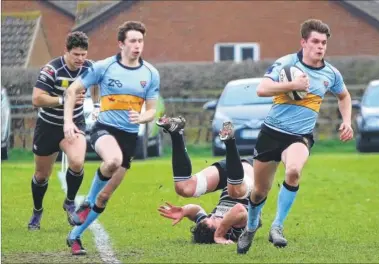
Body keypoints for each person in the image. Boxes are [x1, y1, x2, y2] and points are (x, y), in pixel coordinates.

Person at [237, 19, 354, 254]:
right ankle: (250, 227)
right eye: (315, 42)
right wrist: (292, 84)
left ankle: (277, 226)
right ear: (303, 42)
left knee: (293, 171)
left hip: (300, 136)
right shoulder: (286, 63)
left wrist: (347, 121)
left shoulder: (331, 73)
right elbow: (262, 89)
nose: (320, 47)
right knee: (260, 191)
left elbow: (344, 96)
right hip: (271, 133)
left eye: (323, 43)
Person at [63, 21, 160, 255]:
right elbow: (72, 90)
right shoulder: (104, 67)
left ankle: (75, 236)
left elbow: (152, 110)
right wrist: (67, 121)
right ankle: (85, 203)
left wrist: (143, 117)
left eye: (141, 41)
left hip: (129, 138)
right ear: (121, 44)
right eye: (133, 41)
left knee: (105, 197)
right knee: (112, 161)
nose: (138, 46)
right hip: (104, 128)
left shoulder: (151, 73)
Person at [28, 31, 99, 230]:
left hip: (75, 123)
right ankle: (37, 211)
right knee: (42, 175)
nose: (80, 59)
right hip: (48, 126)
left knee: (77, 161)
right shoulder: (51, 70)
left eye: (83, 54)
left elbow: (97, 84)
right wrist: (63, 99)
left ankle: (69, 202)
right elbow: (37, 99)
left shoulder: (89, 67)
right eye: (76, 54)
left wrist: (96, 105)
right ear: (66, 52)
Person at [156, 116, 259, 244]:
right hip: (252, 173)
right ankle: (230, 141)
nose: (213, 216)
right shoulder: (235, 231)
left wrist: (184, 211)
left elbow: (197, 210)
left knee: (183, 188)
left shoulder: (208, 223)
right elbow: (239, 209)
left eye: (209, 217)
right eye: (214, 220)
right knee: (235, 192)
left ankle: (176, 132)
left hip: (232, 171)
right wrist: (219, 234)